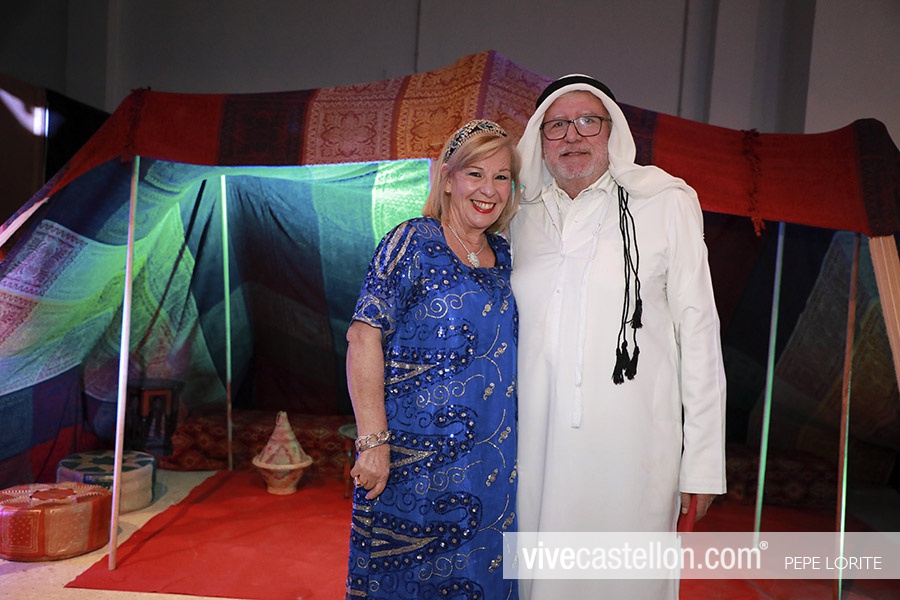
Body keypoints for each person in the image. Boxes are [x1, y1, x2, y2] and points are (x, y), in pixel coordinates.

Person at [509, 75, 727, 599]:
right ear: (538, 139)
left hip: (636, 451)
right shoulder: (516, 217)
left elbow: (699, 334)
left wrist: (702, 465)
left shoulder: (666, 203)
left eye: (588, 121)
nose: (573, 135)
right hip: (534, 451)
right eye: (557, 125)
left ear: (613, 131)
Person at [344, 119, 522, 599]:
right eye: (475, 174)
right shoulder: (413, 242)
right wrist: (373, 442)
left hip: (492, 465)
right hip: (411, 462)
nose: (489, 190)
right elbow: (363, 337)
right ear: (447, 179)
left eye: (501, 177)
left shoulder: (507, 257)